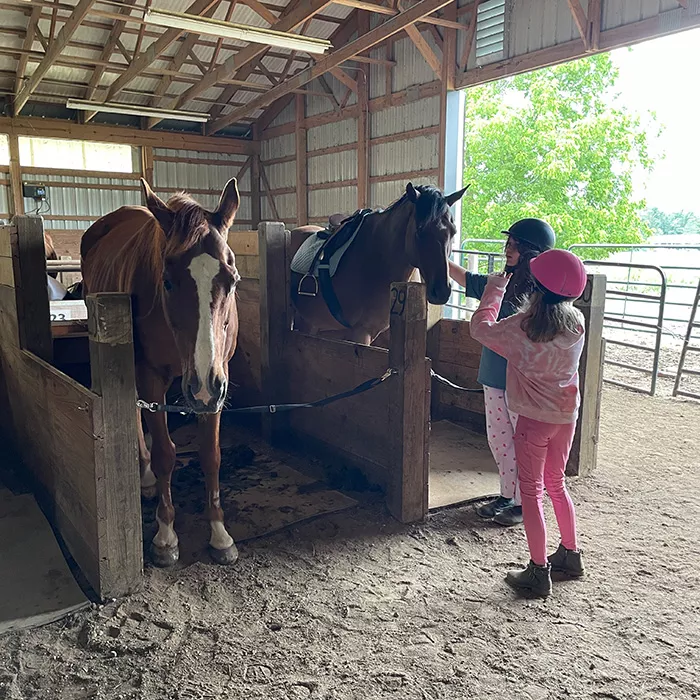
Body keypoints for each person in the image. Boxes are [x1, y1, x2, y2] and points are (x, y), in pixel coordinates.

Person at [469, 248, 589, 598]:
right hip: (566, 418)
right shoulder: (577, 324)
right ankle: (571, 553)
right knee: (556, 484)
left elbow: (481, 329)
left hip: (533, 420)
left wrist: (494, 289)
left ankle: (538, 571)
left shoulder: (520, 328)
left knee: (532, 492)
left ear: (535, 285)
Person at [448, 219, 555, 526]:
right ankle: (507, 494)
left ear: (529, 251)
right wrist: (437, 254)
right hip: (493, 376)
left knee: (521, 440)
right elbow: (464, 278)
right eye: (508, 245)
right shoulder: (499, 282)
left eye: (514, 246)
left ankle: (524, 502)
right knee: (499, 439)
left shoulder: (541, 295)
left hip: (522, 381)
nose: (508, 250)